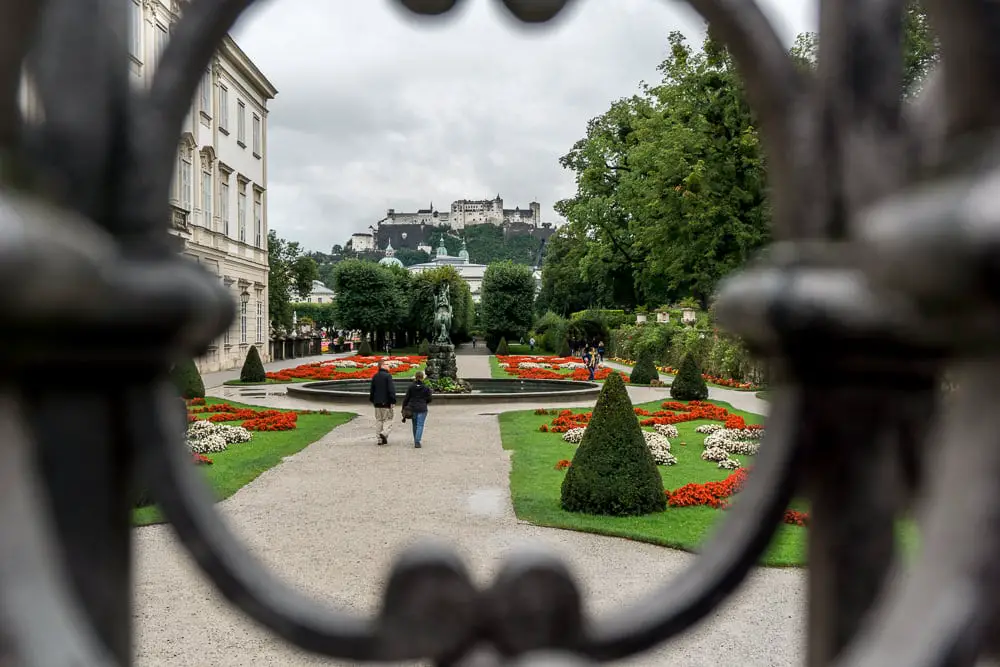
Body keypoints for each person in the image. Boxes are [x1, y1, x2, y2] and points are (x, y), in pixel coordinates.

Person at [402, 371, 433, 449]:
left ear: (415, 377)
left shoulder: (411, 387)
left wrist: (403, 407)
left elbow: (406, 398)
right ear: (423, 377)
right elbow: (429, 399)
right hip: (422, 408)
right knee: (420, 425)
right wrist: (424, 402)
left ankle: (416, 440)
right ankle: (417, 441)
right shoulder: (426, 387)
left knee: (415, 425)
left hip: (413, 408)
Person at [368, 359, 396, 445]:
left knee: (379, 420)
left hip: (377, 403)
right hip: (386, 402)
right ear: (382, 366)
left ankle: (379, 439)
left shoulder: (375, 376)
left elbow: (372, 390)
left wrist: (373, 400)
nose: (389, 366)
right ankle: (384, 433)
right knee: (389, 419)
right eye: (387, 364)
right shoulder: (388, 376)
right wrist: (393, 400)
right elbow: (391, 390)